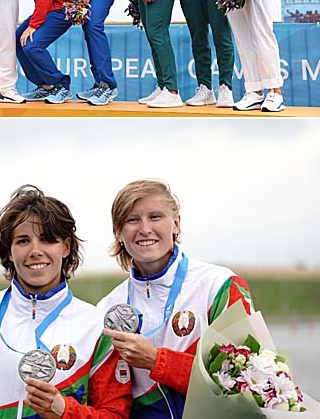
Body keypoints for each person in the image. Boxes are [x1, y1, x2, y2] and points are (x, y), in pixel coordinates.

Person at [0, 184, 133, 419]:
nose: (35, 250)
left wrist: (64, 410)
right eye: (23, 241)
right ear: (9, 252)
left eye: (47, 240)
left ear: (66, 247)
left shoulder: (97, 327)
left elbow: (115, 415)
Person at [97, 178, 254, 419]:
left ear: (176, 223)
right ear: (118, 233)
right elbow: (111, 405)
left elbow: (246, 382)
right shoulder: (107, 309)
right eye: (132, 220)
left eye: (155, 217)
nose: (145, 228)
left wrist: (156, 361)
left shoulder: (219, 285)